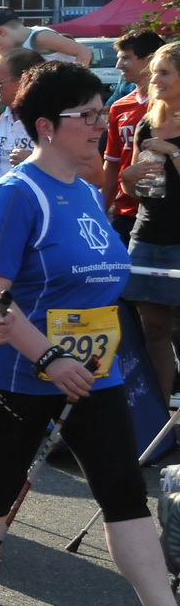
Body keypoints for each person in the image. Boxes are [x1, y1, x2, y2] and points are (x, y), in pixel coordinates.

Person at [0, 60, 180, 606]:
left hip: (95, 372)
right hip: (22, 372)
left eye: (100, 112)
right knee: (1, 488)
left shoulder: (85, 191)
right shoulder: (16, 192)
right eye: (87, 116)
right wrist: (49, 358)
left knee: (124, 495)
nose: (99, 124)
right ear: (48, 126)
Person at [118, 41, 180, 409]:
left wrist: (172, 151)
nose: (153, 79)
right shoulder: (147, 121)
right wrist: (130, 175)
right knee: (152, 329)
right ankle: (159, 410)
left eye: (164, 72)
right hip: (147, 233)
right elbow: (131, 185)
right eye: (154, 71)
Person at [101, 28, 164, 242]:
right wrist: (102, 210)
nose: (118, 66)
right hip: (125, 213)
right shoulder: (119, 107)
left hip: (166, 213)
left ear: (149, 61)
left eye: (126, 58)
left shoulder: (170, 106)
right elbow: (111, 165)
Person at [0, 47, 42, 177]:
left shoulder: (52, 118)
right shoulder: (1, 111)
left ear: (23, 82)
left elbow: (88, 173)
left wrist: (35, 162)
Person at [0, 5, 92, 66]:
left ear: (0, 32)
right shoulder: (20, 47)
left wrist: (73, 82)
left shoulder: (41, 38)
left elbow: (84, 52)